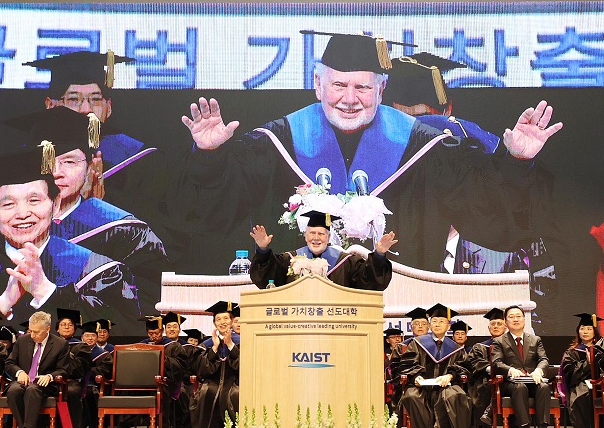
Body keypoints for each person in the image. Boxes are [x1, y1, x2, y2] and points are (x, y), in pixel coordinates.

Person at [181, 31, 560, 274]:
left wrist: (516, 163)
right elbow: (215, 216)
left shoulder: (425, 147)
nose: (349, 99)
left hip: (400, 315)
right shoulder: (276, 141)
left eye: (363, 87)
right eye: (338, 85)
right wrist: (211, 158)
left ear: (381, 91)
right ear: (317, 84)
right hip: (299, 311)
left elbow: (485, 212)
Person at [2, 106, 169, 312]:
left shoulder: (126, 232)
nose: (56, 173)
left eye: (69, 161)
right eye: (45, 161)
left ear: (91, 167)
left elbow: (142, 312)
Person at [382, 53, 530, 276]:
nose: (416, 129)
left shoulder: (468, 153)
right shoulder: (377, 161)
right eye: (401, 118)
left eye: (424, 116)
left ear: (446, 110)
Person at [23, 50, 175, 253]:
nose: (86, 109)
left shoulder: (139, 161)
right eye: (74, 99)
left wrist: (98, 208)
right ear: (51, 106)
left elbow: (158, 242)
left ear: (108, 107)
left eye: (95, 99)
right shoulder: (26, 166)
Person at [0, 145, 141, 331]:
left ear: (55, 204)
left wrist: (45, 291)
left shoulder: (98, 271)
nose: (22, 214)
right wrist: (3, 302)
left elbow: (124, 333)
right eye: (8, 204)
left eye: (34, 200)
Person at [249, 211, 395, 290]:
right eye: (312, 233)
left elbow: (369, 282)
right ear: (305, 236)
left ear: (329, 237)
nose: (316, 238)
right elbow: (266, 278)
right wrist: (262, 249)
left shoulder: (347, 262)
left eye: (321, 234)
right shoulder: (289, 260)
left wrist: (379, 254)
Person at [394, 303, 471, 428]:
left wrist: (450, 375)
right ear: (430, 325)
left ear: (448, 326)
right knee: (411, 396)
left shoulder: (456, 348)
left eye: (441, 321)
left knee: (454, 395)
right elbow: (407, 364)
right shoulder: (418, 343)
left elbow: (465, 367)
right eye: (434, 321)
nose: (437, 324)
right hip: (421, 385)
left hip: (446, 386)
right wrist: (415, 376)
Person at [4, 310, 70, 428]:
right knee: (13, 390)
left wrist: (50, 376)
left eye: (36, 332)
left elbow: (64, 370)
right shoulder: (23, 340)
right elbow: (10, 363)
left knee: (32, 390)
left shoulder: (60, 344)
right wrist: (20, 372)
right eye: (31, 331)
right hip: (23, 381)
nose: (32, 335)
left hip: (44, 385)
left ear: (47, 329)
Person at [490, 305, 552, 428]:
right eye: (511, 317)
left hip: (532, 380)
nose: (516, 319)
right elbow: (497, 363)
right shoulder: (499, 341)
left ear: (524, 319)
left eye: (518, 316)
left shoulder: (535, 340)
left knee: (543, 387)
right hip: (511, 384)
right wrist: (510, 369)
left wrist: (538, 370)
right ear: (506, 322)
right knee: (520, 387)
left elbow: (544, 360)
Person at [191, 301, 240, 428]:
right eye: (218, 319)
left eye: (225, 318)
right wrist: (214, 348)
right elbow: (201, 369)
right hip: (212, 381)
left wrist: (230, 345)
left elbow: (242, 366)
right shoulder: (207, 343)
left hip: (234, 382)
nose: (222, 322)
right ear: (214, 323)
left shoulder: (241, 341)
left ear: (231, 321)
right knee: (206, 392)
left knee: (235, 394)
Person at [465, 308, 508, 428]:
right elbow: (474, 363)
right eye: (493, 324)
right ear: (489, 328)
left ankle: (489, 412)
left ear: (505, 328)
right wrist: (492, 370)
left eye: (499, 324)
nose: (496, 326)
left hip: (507, 380)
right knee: (493, 384)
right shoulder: (480, 346)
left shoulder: (512, 346)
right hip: (485, 380)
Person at [560, 314, 602, 428]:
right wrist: (587, 364)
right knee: (585, 394)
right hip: (578, 384)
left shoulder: (602, 349)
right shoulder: (572, 351)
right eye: (582, 328)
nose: (585, 332)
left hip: (599, 383)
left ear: (595, 332)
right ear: (578, 331)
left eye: (589, 329)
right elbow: (570, 374)